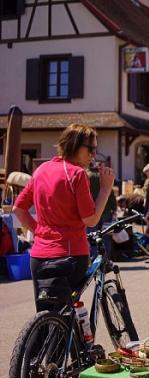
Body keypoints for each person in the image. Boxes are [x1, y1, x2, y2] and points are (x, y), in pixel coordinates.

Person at [13, 123, 115, 311]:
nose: (93, 154)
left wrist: (40, 232)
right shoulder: (77, 174)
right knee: (67, 314)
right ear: (74, 145)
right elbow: (91, 220)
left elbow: (18, 209)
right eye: (91, 148)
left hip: (39, 255)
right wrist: (105, 188)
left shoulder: (41, 169)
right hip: (69, 254)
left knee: (46, 315)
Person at [87, 161, 117, 261]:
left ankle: (94, 258)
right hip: (106, 210)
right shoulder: (103, 176)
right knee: (106, 236)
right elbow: (110, 193)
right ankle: (106, 259)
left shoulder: (86, 176)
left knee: (92, 236)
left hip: (90, 212)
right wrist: (114, 208)